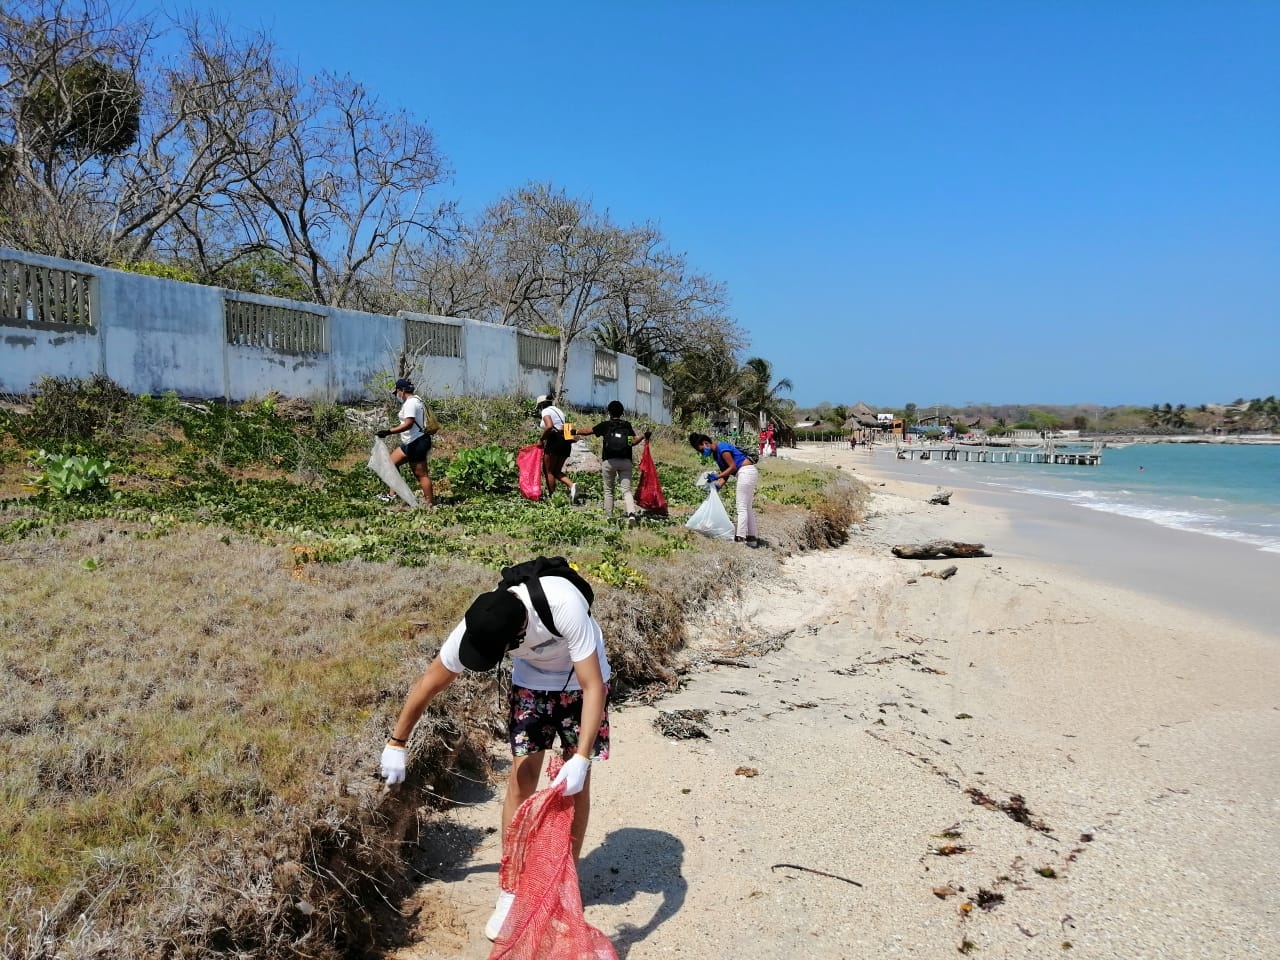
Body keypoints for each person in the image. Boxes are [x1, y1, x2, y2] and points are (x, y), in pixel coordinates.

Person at [379, 571, 611, 941]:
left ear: (519, 634)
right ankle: (512, 887)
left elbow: (593, 684)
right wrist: (397, 742)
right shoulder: (481, 621)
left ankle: (566, 882)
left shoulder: (564, 606)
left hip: (579, 682)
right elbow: (429, 682)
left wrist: (581, 758)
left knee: (571, 786)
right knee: (522, 778)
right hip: (530, 685)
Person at [573, 401, 650, 523]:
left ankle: (609, 516)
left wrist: (575, 432)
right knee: (626, 490)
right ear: (622, 412)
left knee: (609, 489)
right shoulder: (627, 426)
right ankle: (631, 514)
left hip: (609, 462)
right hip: (625, 462)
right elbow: (632, 442)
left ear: (609, 412)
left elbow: (589, 431)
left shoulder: (606, 425)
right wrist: (643, 436)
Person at [688, 432, 760, 546]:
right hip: (748, 472)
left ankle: (741, 537)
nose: (702, 453)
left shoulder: (722, 448)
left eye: (702, 450)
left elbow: (732, 467)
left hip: (745, 472)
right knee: (747, 507)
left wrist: (717, 477)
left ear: (706, 443)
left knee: (741, 507)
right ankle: (751, 538)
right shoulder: (716, 455)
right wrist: (717, 486)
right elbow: (725, 474)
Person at [376, 378, 434, 505]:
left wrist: (388, 432)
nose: (397, 395)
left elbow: (408, 424)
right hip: (410, 442)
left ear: (401, 390)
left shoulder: (410, 403)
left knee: (421, 474)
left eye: (397, 392)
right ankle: (392, 495)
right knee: (390, 463)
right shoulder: (417, 400)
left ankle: (430, 504)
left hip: (417, 443)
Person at [536, 394, 576, 503]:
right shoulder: (559, 411)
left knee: (548, 470)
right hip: (565, 442)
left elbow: (549, 426)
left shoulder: (546, 411)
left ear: (542, 405)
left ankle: (552, 497)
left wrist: (541, 439)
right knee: (556, 471)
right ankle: (572, 486)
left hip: (555, 440)